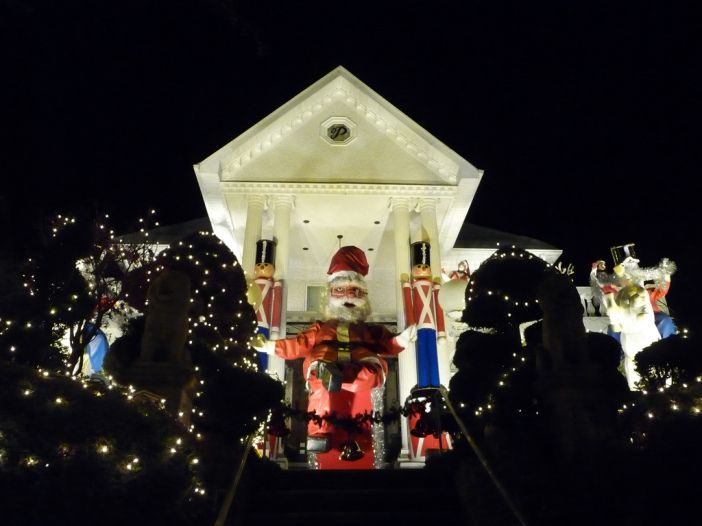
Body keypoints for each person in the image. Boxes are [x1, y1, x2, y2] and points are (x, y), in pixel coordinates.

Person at [255, 246, 415, 455]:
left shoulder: (368, 330)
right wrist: (269, 346)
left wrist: (402, 339)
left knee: (367, 377)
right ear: (330, 295)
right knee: (321, 385)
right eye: (340, 291)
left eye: (354, 292)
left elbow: (387, 344)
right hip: (326, 365)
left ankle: (342, 385)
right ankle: (319, 431)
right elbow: (298, 344)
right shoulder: (321, 328)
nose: (348, 299)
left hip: (360, 365)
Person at [402, 241, 446, 388]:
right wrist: (411, 327)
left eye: (425, 267)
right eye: (419, 266)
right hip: (419, 326)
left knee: (432, 356)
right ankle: (423, 384)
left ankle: (435, 383)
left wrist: (441, 332)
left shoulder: (434, 288)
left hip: (431, 326)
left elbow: (439, 307)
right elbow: (409, 306)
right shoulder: (413, 286)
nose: (422, 269)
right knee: (421, 354)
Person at [252, 239, 283, 370]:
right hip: (252, 323)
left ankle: (260, 375)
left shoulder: (274, 285)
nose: (262, 267)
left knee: (260, 356)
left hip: (264, 325)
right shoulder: (251, 284)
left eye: (265, 264)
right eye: (259, 264)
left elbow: (276, 305)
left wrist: (275, 328)